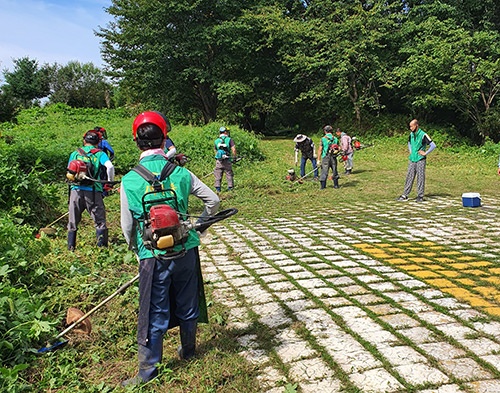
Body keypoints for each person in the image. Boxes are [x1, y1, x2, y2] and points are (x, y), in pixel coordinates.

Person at [120, 111, 220, 386]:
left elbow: (127, 227)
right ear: (164, 139)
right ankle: (188, 350)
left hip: (153, 255)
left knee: (154, 309)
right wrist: (198, 227)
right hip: (186, 249)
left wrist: (137, 249)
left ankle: (148, 372)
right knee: (188, 301)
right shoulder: (181, 172)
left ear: (136, 142)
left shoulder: (129, 180)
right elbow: (213, 200)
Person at [67, 130, 115, 250]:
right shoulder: (99, 154)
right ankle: (101, 249)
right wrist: (109, 182)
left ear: (84, 140)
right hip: (93, 191)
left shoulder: (75, 153)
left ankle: (71, 247)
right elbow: (110, 167)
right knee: (99, 221)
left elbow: (69, 172)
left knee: (73, 221)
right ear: (98, 142)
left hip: (75, 191)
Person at [397, 119, 436, 202]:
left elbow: (433, 145)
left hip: (420, 159)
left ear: (416, 126)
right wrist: (410, 151)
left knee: (420, 177)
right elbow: (409, 142)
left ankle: (420, 196)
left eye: (411, 126)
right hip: (412, 159)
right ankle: (405, 195)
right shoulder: (411, 134)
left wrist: (425, 153)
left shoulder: (423, 135)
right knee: (409, 176)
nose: (410, 128)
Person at [214, 126, 236, 192]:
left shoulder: (216, 141)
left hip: (219, 161)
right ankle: (230, 188)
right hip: (227, 160)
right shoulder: (229, 139)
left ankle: (218, 189)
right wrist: (234, 157)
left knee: (218, 174)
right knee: (229, 173)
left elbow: (215, 150)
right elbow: (234, 150)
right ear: (225, 132)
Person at [318, 125, 340, 189]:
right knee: (334, 170)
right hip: (333, 157)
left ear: (325, 131)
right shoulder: (335, 138)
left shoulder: (323, 139)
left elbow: (320, 149)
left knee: (324, 171)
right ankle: (336, 185)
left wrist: (318, 159)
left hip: (325, 157)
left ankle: (323, 186)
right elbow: (339, 148)